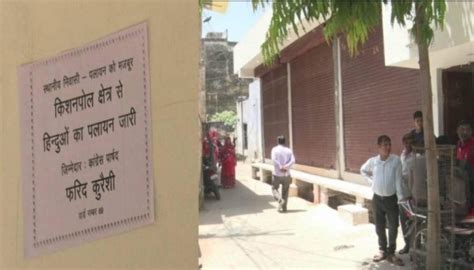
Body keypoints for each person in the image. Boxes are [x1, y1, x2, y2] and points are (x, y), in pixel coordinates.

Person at [360, 135, 408, 266]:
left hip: (391, 199)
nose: (387, 147)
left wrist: (401, 198)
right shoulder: (373, 161)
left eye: (389, 144)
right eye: (384, 145)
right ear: (378, 147)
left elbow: (398, 181)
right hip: (377, 199)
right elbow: (363, 170)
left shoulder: (396, 161)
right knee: (379, 226)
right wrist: (372, 183)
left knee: (393, 226)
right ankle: (382, 250)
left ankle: (391, 252)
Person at [398, 133, 415, 254]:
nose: (408, 144)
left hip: (412, 194)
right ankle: (407, 245)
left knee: (413, 221)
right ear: (403, 142)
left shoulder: (417, 155)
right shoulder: (402, 154)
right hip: (402, 194)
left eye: (410, 141)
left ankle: (414, 247)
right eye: (406, 141)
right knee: (403, 220)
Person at [271, 135, 295, 213]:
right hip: (287, 174)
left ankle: (280, 200)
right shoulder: (289, 150)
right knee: (285, 191)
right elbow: (293, 160)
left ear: (277, 141)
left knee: (274, 188)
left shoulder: (274, 149)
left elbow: (274, 159)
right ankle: (284, 208)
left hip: (277, 174)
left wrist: (281, 166)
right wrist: (286, 167)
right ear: (285, 142)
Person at [455, 120, 474, 217]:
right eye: (462, 129)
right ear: (457, 131)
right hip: (462, 186)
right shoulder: (458, 145)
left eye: (467, 129)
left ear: (471, 131)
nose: (465, 132)